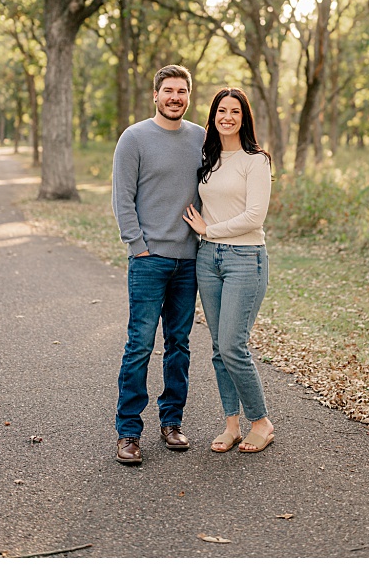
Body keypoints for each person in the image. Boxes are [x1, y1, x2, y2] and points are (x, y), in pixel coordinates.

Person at [111, 65, 206, 465]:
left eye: (182, 91)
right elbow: (122, 197)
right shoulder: (134, 138)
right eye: (168, 90)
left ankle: (172, 422)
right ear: (155, 95)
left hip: (189, 262)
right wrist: (138, 246)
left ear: (188, 95)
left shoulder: (202, 137)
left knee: (179, 346)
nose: (175, 98)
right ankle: (128, 432)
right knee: (139, 346)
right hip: (149, 261)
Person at [183, 87, 275, 453]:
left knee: (234, 346)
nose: (227, 117)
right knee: (220, 348)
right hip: (209, 261)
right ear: (213, 116)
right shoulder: (209, 158)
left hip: (245, 258)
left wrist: (210, 230)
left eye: (234, 111)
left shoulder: (256, 160)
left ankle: (262, 421)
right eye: (222, 110)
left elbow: (255, 216)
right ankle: (232, 424)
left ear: (244, 117)